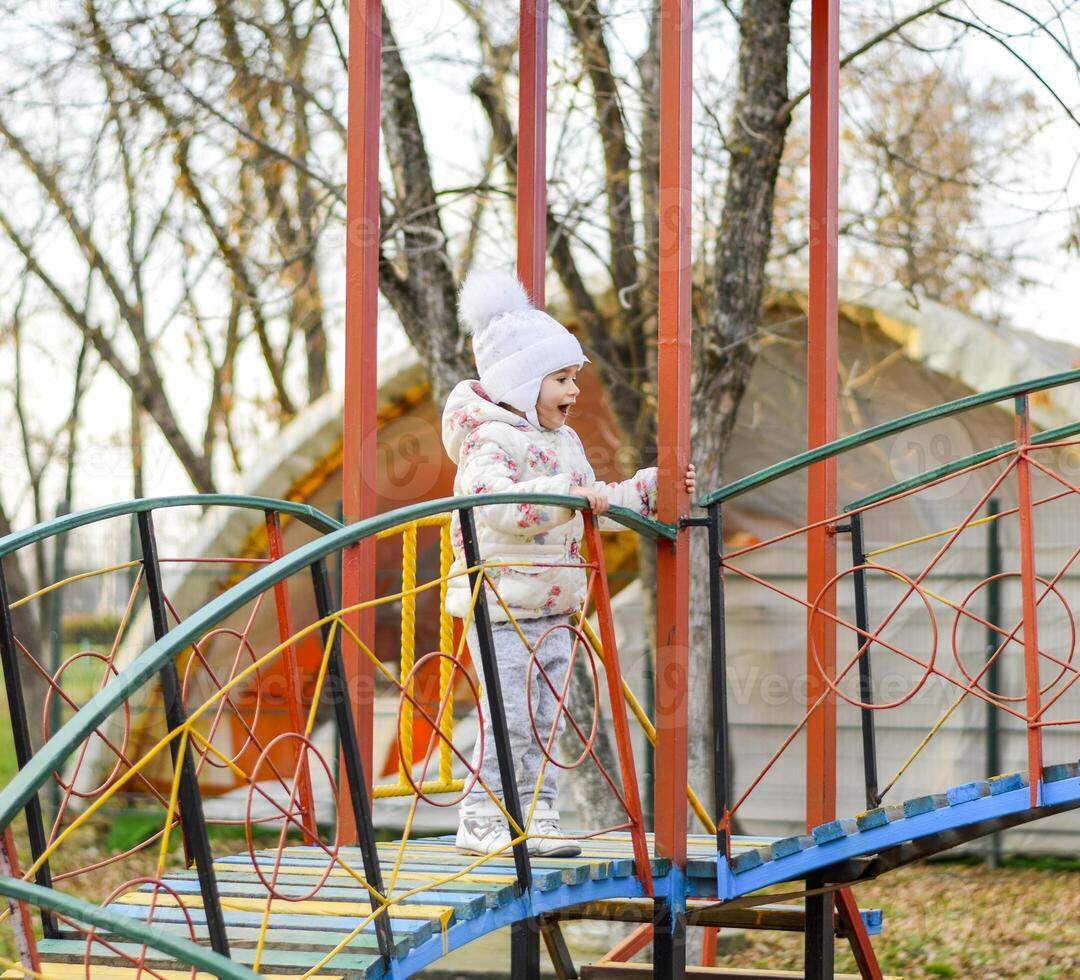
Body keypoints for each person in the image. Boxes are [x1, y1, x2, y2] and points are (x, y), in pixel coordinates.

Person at [442, 270, 696, 857]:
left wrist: (649, 491)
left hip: (556, 605)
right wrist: (564, 496)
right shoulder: (490, 441)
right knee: (510, 714)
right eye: (560, 378)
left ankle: (538, 814)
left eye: (574, 377)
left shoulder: (562, 444)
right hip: (502, 603)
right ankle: (482, 817)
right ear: (522, 381)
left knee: (547, 718)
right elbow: (498, 507)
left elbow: (590, 509)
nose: (574, 390)